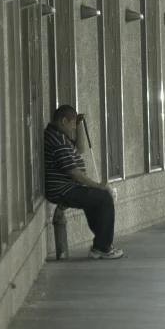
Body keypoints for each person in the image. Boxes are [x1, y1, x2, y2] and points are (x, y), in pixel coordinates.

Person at [44, 105, 123, 260]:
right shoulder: (56, 140)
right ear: (64, 121)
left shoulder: (59, 134)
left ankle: (100, 245)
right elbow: (73, 172)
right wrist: (98, 185)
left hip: (68, 187)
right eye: (73, 124)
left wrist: (79, 125)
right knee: (104, 197)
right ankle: (103, 248)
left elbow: (80, 149)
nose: (73, 127)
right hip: (63, 189)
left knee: (95, 200)